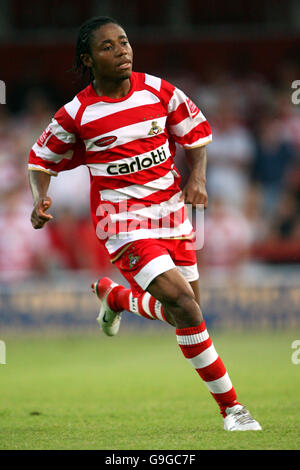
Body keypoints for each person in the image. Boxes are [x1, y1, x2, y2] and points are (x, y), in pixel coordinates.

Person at [28, 16, 261, 431]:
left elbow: (195, 133)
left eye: (124, 42)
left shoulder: (157, 89)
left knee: (186, 314)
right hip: (122, 223)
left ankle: (116, 298)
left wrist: (198, 176)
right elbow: (39, 160)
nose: (122, 51)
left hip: (172, 214)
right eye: (108, 47)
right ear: (88, 59)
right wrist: (38, 197)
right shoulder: (77, 113)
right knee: (186, 307)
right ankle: (234, 410)